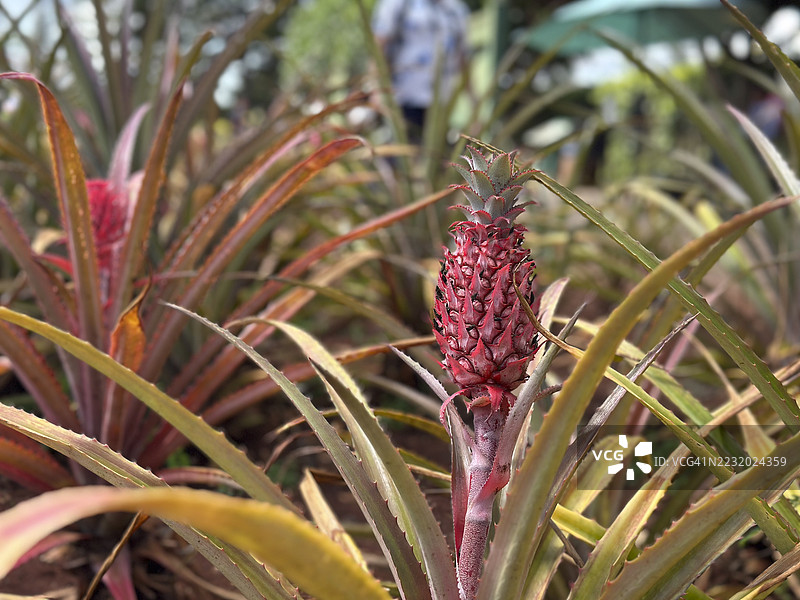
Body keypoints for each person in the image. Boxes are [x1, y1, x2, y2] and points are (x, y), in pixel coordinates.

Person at [372, 0, 469, 144]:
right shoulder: (397, 4)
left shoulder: (456, 9)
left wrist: (473, 100)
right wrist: (375, 90)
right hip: (403, 99)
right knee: (403, 151)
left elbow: (464, 58)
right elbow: (378, 49)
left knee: (436, 153)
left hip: (442, 102)